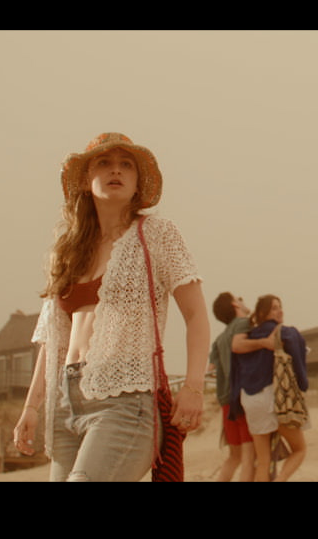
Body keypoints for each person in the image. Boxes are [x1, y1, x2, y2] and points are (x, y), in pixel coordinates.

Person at [12, 132, 210, 482]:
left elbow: (195, 316)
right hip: (65, 400)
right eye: (103, 163)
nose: (115, 170)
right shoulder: (68, 250)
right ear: (88, 180)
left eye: (126, 165)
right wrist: (31, 407)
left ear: (137, 184)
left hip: (125, 399)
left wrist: (194, 387)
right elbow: (51, 337)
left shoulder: (158, 234)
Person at [230, 295, 309, 481]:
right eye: (275, 308)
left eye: (280, 306)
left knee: (263, 462)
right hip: (276, 400)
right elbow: (300, 370)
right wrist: (304, 386)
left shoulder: (247, 338)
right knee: (299, 450)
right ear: (264, 312)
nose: (280, 311)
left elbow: (236, 373)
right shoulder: (286, 333)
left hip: (250, 401)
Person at [207, 292, 277, 481]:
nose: (242, 301)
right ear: (234, 304)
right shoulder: (242, 323)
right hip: (240, 399)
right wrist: (264, 343)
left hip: (225, 401)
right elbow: (239, 346)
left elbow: (211, 369)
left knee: (234, 457)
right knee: (249, 457)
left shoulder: (219, 339)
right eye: (239, 299)